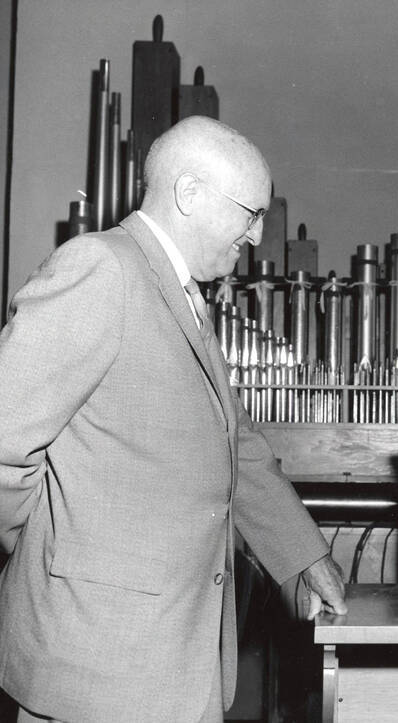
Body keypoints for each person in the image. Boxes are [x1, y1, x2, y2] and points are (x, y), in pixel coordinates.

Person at [0, 116, 347, 722]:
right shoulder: (101, 268)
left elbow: (234, 445)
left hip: (173, 662)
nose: (259, 234)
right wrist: (49, 545)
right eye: (251, 211)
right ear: (189, 194)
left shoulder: (183, 295)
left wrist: (305, 557)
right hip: (100, 663)